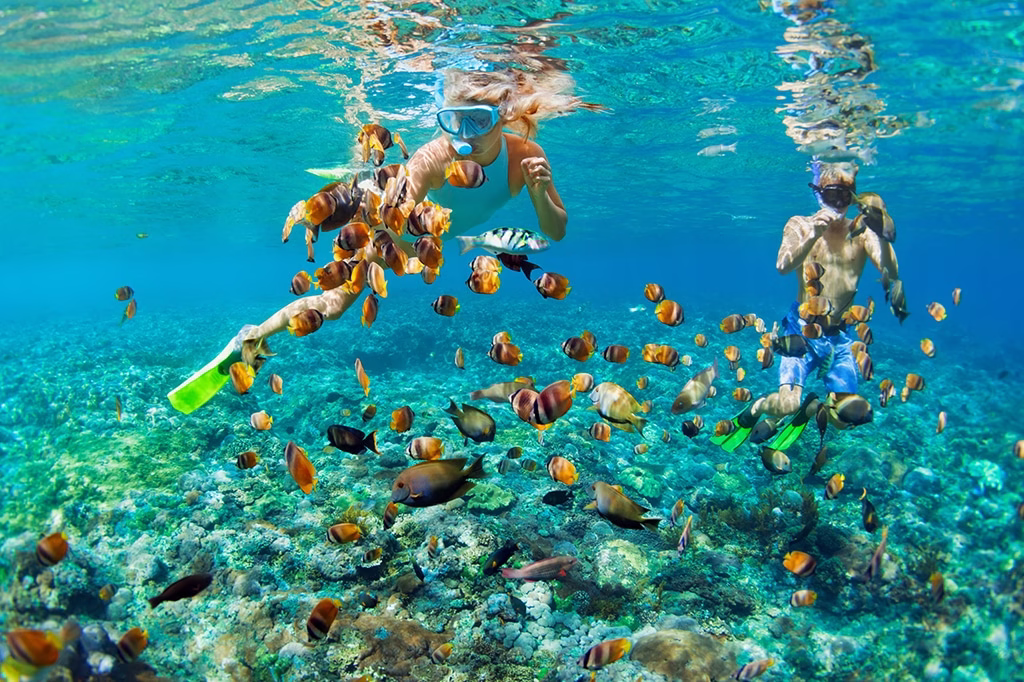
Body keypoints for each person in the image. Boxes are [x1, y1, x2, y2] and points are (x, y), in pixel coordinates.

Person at [168, 69, 598, 414]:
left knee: (338, 304)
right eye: (453, 120)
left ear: (503, 116)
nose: (464, 132)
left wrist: (539, 191)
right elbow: (395, 216)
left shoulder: (525, 155)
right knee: (334, 305)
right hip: (390, 230)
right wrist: (394, 254)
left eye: (478, 121)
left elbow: (556, 230)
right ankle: (251, 336)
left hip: (429, 242)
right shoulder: (435, 156)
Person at [713, 160, 899, 452]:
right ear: (817, 193)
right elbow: (782, 266)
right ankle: (761, 406)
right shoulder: (799, 224)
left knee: (842, 419)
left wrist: (883, 231)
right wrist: (812, 234)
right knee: (787, 404)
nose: (837, 204)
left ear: (853, 198)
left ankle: (813, 407)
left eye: (844, 196)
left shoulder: (863, 233)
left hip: (841, 335)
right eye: (830, 195)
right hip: (802, 331)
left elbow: (890, 270)